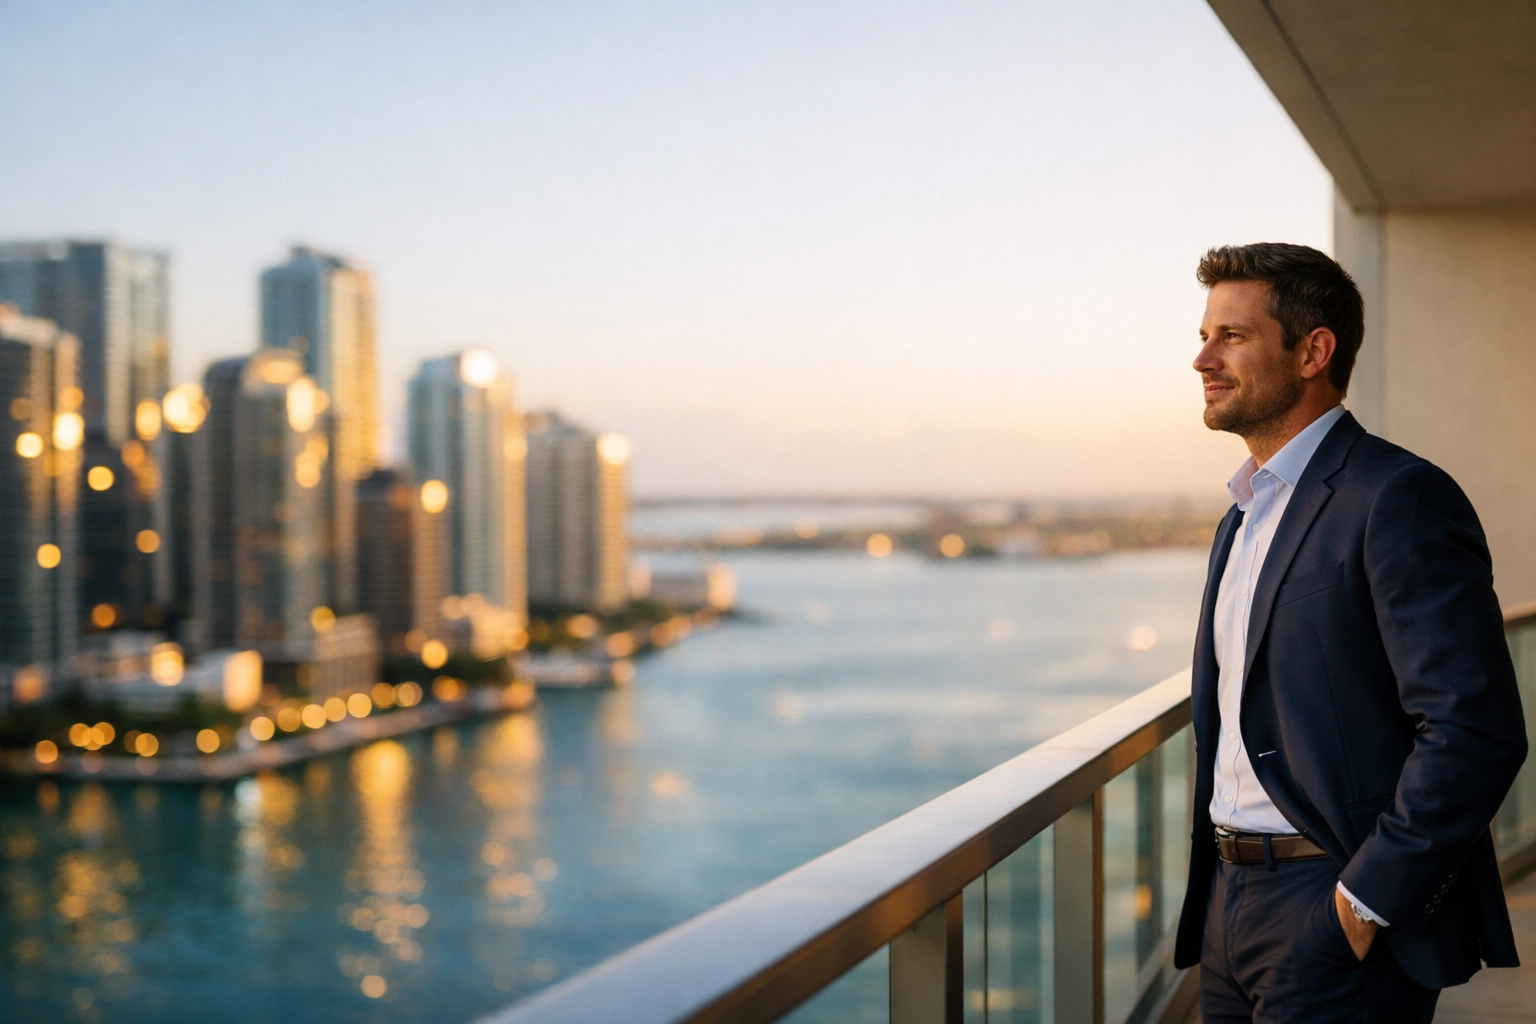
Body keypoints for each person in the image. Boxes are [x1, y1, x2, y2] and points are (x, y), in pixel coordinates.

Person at [1172, 242, 1527, 1021]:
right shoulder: (1242, 516)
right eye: (1204, 334)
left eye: (1231, 335)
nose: (1202, 358)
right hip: (1228, 906)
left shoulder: (1397, 496)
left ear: (1313, 351)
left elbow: (1476, 729)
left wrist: (1360, 904)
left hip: (1329, 905)